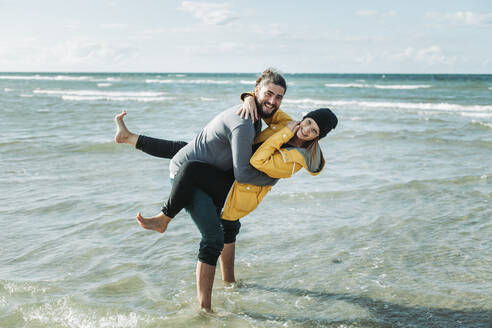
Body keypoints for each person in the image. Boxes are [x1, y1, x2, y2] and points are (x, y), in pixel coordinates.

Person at [116, 68, 290, 311]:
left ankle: (230, 283)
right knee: (213, 237)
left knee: (230, 223)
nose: (273, 101)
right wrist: (276, 177)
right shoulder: (245, 123)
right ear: (257, 90)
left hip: (208, 169)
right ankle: (205, 311)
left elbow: (283, 121)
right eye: (268, 94)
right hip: (189, 178)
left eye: (279, 97)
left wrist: (249, 98)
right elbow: (242, 174)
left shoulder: (259, 112)